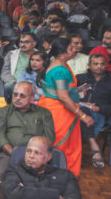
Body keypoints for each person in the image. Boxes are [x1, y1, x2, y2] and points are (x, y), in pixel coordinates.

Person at [0, 136, 80, 199]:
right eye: (28, 151)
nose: (31, 156)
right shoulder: (13, 171)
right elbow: (14, 196)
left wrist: (27, 195)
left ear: (48, 157)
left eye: (37, 153)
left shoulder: (65, 175)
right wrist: (55, 195)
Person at [39, 38, 92, 176]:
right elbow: (62, 97)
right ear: (62, 53)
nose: (75, 50)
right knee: (62, 146)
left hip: (54, 107)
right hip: (59, 112)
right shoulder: (60, 70)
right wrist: (83, 115)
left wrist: (75, 90)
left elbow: (60, 90)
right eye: (71, 48)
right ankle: (60, 176)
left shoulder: (58, 64)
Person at [0, 81, 55, 177]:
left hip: (38, 154)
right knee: (1, 173)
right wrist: (14, 153)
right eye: (15, 94)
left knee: (49, 176)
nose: (17, 98)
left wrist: (34, 153)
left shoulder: (44, 113)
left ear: (32, 98)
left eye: (22, 96)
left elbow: (49, 138)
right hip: (9, 153)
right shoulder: (4, 111)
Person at [76, 53, 111, 169]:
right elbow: (68, 95)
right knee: (81, 110)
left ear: (106, 65)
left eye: (102, 64)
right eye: (95, 64)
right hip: (77, 111)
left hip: (99, 115)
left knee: (82, 113)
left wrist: (99, 108)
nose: (99, 66)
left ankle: (75, 155)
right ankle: (93, 145)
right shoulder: (80, 78)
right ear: (89, 65)